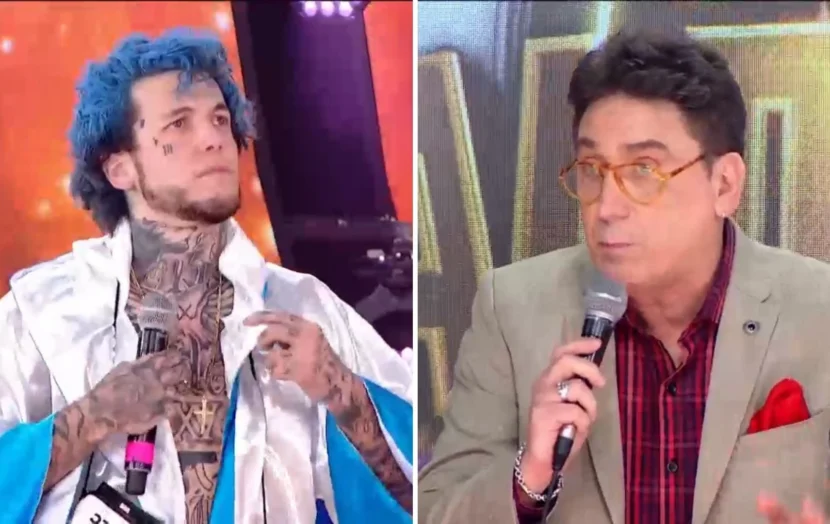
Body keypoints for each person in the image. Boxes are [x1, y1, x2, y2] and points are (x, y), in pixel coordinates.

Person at [0, 28, 413, 524]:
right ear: (119, 169)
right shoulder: (42, 315)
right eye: (179, 123)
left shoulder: (304, 307)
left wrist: (342, 391)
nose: (214, 138)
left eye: (220, 119)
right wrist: (90, 418)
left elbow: (434, 495)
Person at [418, 30, 830, 524]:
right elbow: (434, 508)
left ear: (724, 184)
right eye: (592, 168)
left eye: (643, 170)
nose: (607, 207)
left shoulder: (818, 311)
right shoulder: (511, 309)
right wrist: (530, 477)